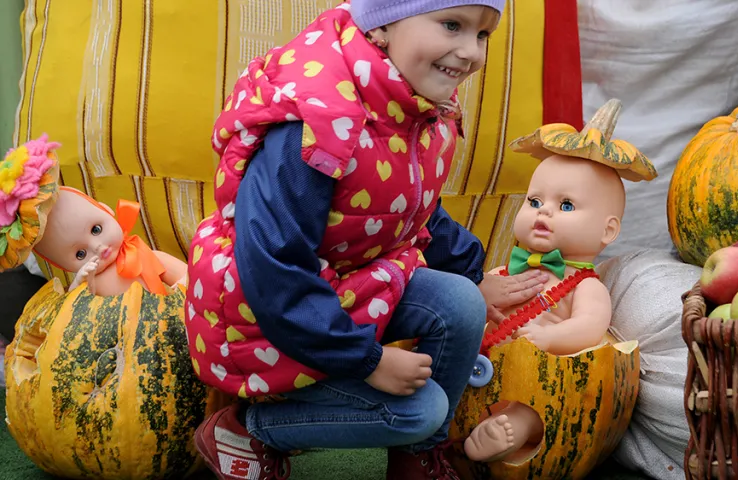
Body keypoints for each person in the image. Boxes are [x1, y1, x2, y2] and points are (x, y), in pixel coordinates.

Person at [186, 1, 549, 479]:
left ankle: (419, 457)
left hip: (348, 287)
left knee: (461, 303)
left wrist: (474, 275)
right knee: (419, 410)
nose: (470, 52)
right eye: (451, 25)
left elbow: (404, 204)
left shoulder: (411, 102)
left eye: (482, 34)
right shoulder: (314, 122)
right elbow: (275, 265)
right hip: (260, 317)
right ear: (382, 26)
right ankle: (249, 428)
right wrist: (368, 361)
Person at [462, 99, 658, 464]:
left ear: (607, 230)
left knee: (537, 409)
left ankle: (511, 434)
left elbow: (589, 326)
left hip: (537, 380)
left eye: (566, 205)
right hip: (481, 364)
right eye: (535, 201)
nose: (545, 211)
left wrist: (550, 337)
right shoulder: (507, 269)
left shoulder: (586, 286)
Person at [0, 135, 186, 297]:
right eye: (80, 254)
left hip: (168, 321)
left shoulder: (144, 255)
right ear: (64, 266)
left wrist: (182, 295)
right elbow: (73, 317)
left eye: (96, 229)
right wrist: (81, 284)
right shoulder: (90, 284)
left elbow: (187, 277)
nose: (98, 247)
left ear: (106, 210)